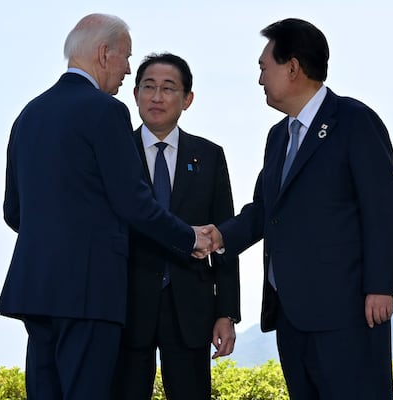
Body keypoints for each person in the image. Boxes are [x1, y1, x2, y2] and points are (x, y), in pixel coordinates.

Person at [0, 14, 211, 400]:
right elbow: (134, 202)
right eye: (126, 57)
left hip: (36, 289)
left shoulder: (28, 114)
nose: (129, 68)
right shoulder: (105, 111)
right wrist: (188, 236)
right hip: (90, 291)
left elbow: (14, 211)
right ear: (103, 53)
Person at [202, 18, 393, 399]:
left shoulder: (354, 120)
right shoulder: (278, 136)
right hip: (290, 312)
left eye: (264, 68)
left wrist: (380, 285)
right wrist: (221, 235)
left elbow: (383, 206)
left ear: (292, 67)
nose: (260, 80)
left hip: (347, 310)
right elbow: (265, 210)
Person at [113, 53, 241, 399]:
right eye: (148, 87)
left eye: (168, 88)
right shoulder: (114, 152)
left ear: (187, 99)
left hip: (191, 307)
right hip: (124, 307)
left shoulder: (210, 156)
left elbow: (225, 238)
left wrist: (227, 312)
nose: (157, 97)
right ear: (135, 94)